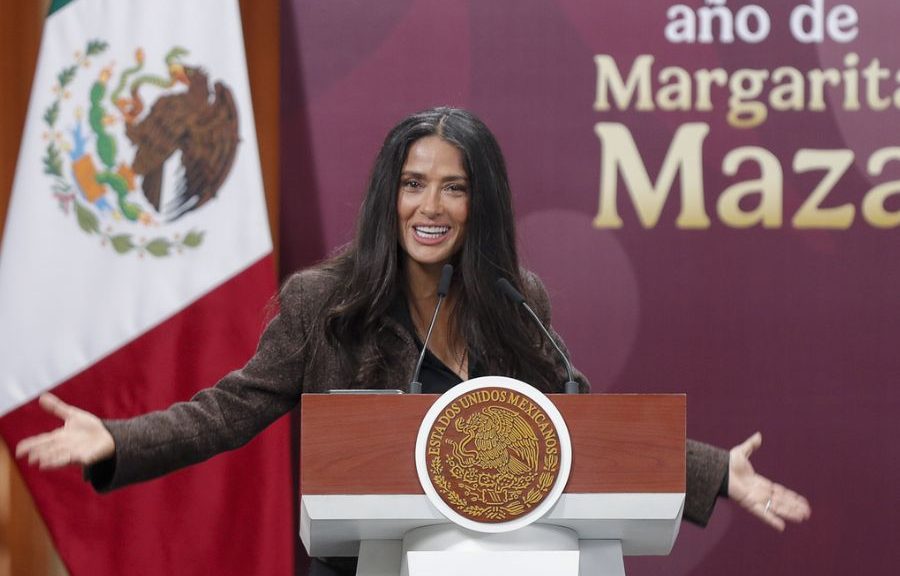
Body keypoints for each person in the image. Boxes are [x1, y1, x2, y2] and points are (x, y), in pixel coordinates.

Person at [16, 107, 810, 567]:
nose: (430, 205)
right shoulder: (326, 305)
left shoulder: (513, 300)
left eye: (454, 187)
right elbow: (227, 410)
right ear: (387, 196)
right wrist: (116, 439)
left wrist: (709, 472)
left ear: (481, 203)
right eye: (413, 183)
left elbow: (574, 438)